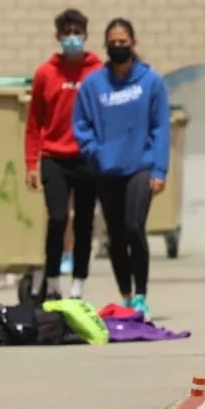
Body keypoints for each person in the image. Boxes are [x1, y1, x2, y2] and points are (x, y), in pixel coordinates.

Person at [72, 19, 170, 315]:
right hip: (107, 169)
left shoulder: (151, 82)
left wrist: (159, 170)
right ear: (106, 46)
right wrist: (95, 152)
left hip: (140, 166)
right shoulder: (93, 85)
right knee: (115, 236)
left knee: (133, 227)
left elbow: (161, 127)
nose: (118, 47)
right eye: (112, 42)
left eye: (123, 41)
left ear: (133, 43)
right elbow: (81, 124)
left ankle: (141, 294)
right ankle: (126, 295)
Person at [26, 8, 103, 301]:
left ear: (85, 34)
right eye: (67, 33)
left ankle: (79, 284)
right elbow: (34, 123)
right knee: (58, 218)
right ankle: (53, 279)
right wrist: (31, 163)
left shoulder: (98, 71)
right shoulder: (46, 73)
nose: (72, 38)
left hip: (87, 158)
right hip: (54, 157)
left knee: (84, 221)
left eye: (77, 33)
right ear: (59, 36)